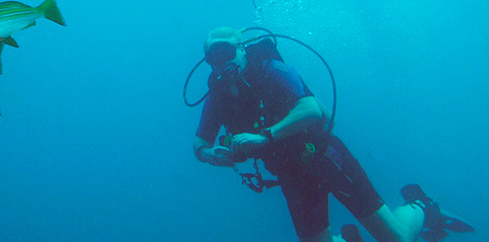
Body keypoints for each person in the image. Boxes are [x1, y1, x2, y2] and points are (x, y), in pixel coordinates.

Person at [192, 27, 475, 242]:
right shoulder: (217, 96)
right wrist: (208, 154)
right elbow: (199, 142)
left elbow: (312, 109)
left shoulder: (272, 70)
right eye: (214, 59)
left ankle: (422, 205)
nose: (223, 65)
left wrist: (265, 137)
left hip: (326, 158)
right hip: (291, 175)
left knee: (396, 237)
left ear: (241, 49)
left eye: (226, 54)